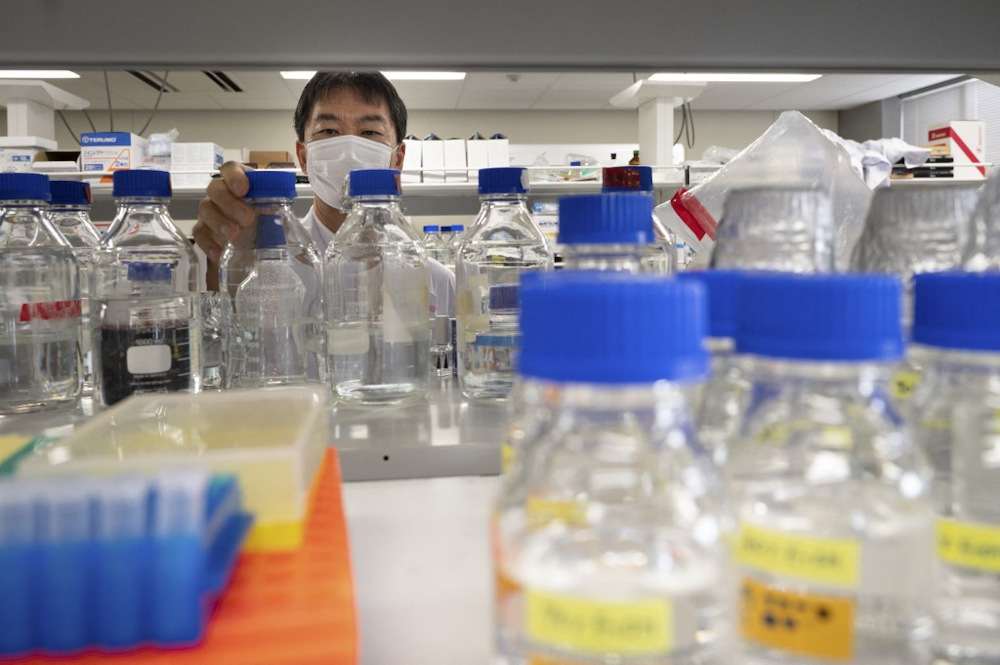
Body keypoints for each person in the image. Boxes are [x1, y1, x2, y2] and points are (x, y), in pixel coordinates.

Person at [193, 71, 456, 316]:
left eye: (370, 132)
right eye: (328, 131)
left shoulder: (438, 282)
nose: (349, 151)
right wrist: (225, 265)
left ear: (397, 159)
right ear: (303, 156)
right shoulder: (263, 265)